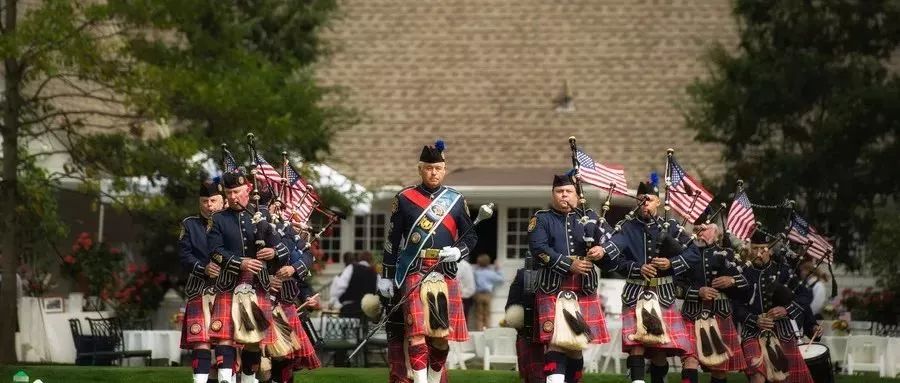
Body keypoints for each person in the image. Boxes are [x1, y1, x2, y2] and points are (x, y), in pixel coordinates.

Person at [377, 140, 477, 383]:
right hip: (413, 269)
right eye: (429, 168)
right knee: (416, 333)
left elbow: (471, 236)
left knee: (441, 336)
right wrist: (387, 275)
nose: (434, 173)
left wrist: (459, 251)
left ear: (444, 170)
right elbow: (393, 240)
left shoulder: (455, 199)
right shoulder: (405, 198)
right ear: (420, 169)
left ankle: (433, 380)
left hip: (445, 271)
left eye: (438, 168)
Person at [600, 180, 699, 383]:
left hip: (663, 295)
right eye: (641, 200)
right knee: (636, 343)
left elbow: (693, 253)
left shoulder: (671, 228)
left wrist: (670, 263)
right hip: (635, 293)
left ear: (658, 203)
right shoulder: (626, 227)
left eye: (649, 200)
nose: (645, 203)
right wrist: (636, 268)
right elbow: (614, 258)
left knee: (659, 350)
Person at [207, 169, 292, 383]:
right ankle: (226, 379)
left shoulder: (262, 216)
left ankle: (248, 380)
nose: (233, 197)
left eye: (236, 191)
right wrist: (240, 262)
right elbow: (215, 251)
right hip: (229, 284)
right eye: (228, 193)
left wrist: (274, 252)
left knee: (253, 341)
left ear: (248, 188)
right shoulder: (218, 219)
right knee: (224, 338)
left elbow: (286, 248)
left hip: (258, 285)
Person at [529, 174, 613, 383]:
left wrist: (601, 250)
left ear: (577, 195)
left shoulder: (592, 217)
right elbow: (538, 248)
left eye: (568, 191)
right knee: (556, 340)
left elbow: (614, 243)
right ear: (553, 194)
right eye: (559, 191)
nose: (564, 195)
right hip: (552, 286)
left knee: (577, 344)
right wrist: (569, 264)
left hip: (584, 286)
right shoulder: (542, 218)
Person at [733, 230, 816, 383]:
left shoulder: (783, 271)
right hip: (753, 333)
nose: (758, 253)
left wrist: (786, 310)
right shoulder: (743, 273)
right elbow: (735, 306)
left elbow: (805, 296)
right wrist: (754, 320)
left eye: (763, 249)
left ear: (770, 251)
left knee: (784, 378)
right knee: (757, 376)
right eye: (755, 248)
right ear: (750, 249)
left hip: (782, 332)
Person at [676, 217, 750, 383]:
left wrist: (732, 281)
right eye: (697, 228)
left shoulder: (728, 254)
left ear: (717, 233)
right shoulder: (685, 254)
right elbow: (676, 287)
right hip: (692, 314)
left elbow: (746, 282)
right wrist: (697, 292)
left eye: (705, 228)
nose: (700, 231)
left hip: (720, 313)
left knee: (719, 367)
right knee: (690, 360)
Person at [179, 180, 226, 383]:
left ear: (223, 201)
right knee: (201, 340)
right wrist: (202, 267)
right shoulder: (189, 224)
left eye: (213, 200)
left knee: (229, 342)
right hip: (200, 287)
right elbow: (184, 255)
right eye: (205, 201)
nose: (209, 205)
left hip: (227, 287)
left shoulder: (232, 222)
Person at [500, 267, 543, 383]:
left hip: (556, 332)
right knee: (533, 377)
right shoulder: (523, 275)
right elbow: (511, 304)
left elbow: (510, 304)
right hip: (529, 332)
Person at [329, 251, 378, 317]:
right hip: (366, 314)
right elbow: (377, 292)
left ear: (359, 259)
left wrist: (334, 302)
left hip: (349, 311)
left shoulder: (351, 267)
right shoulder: (375, 274)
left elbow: (339, 287)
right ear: (371, 261)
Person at [472, 254, 504, 330]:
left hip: (479, 295)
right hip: (487, 295)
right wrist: (498, 269)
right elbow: (500, 279)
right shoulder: (490, 273)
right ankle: (487, 329)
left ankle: (479, 330)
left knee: (479, 314)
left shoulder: (476, 273)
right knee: (487, 313)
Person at [456, 257, 476, 322]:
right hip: (448, 298)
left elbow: (470, 287)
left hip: (462, 298)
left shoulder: (465, 266)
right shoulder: (444, 264)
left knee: (462, 321)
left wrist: (461, 295)